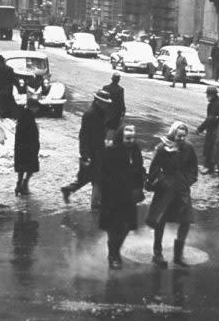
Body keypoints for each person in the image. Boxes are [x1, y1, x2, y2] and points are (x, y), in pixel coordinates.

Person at [145, 121, 198, 268]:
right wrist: (164, 182)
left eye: (183, 136)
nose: (181, 139)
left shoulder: (188, 147)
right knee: (160, 221)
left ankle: (178, 255)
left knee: (186, 221)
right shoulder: (162, 148)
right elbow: (154, 169)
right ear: (173, 133)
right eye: (178, 135)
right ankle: (157, 253)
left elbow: (193, 169)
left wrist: (187, 181)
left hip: (182, 189)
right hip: (165, 190)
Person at [99, 125, 143, 269]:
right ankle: (113, 255)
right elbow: (103, 174)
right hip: (113, 196)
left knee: (126, 226)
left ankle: (115, 250)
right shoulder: (111, 151)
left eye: (132, 138)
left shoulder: (135, 149)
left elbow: (139, 167)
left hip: (129, 195)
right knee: (113, 227)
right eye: (127, 138)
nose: (130, 141)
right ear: (121, 137)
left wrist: (139, 185)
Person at [61, 89, 112, 207]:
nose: (106, 105)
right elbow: (83, 135)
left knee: (89, 177)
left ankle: (69, 189)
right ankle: (95, 203)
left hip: (98, 149)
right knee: (95, 177)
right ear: (98, 101)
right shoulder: (90, 114)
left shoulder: (100, 113)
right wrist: (84, 154)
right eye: (104, 103)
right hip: (91, 151)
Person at [13, 95, 40, 195]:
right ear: (32, 107)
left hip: (21, 146)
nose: (37, 110)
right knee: (31, 167)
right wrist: (35, 146)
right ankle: (25, 184)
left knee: (21, 167)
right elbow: (31, 133)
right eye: (36, 107)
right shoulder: (29, 117)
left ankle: (19, 184)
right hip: (29, 146)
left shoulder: (23, 115)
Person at [197, 86, 219, 175]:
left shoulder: (217, 104)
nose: (207, 97)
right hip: (213, 128)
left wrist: (200, 128)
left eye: (208, 95)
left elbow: (210, 119)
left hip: (215, 129)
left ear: (212, 95)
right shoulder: (215, 103)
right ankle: (210, 167)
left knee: (210, 148)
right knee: (210, 147)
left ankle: (209, 167)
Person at [0, 54, 21, 125]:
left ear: (0, 62)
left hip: (5, 90)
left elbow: (13, 79)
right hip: (5, 90)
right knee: (10, 105)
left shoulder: (5, 69)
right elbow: (14, 80)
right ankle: (19, 118)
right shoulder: (4, 69)